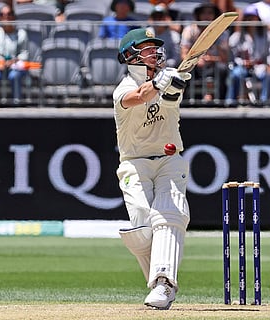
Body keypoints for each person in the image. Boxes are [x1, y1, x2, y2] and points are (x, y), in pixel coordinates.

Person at [114, 28, 191, 310]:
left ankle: (164, 283)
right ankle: (159, 279)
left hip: (170, 159)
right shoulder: (122, 90)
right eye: (146, 48)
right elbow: (138, 97)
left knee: (170, 214)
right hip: (134, 162)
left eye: (155, 48)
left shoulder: (165, 80)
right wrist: (160, 83)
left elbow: (169, 101)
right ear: (130, 56)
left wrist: (171, 84)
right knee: (142, 225)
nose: (154, 53)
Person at [225, 5, 270, 106]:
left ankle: (264, 102)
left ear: (258, 19)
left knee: (269, 74)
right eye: (248, 18)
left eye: (253, 17)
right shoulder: (237, 37)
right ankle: (231, 102)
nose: (250, 20)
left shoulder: (267, 36)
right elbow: (233, 57)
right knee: (235, 74)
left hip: (261, 66)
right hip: (243, 67)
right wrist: (243, 62)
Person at [180, 2, 229, 102]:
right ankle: (185, 100)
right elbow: (183, 54)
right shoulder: (190, 30)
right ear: (198, 15)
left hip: (215, 64)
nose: (207, 16)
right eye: (203, 13)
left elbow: (224, 58)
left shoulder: (222, 32)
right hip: (194, 64)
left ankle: (219, 101)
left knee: (222, 68)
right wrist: (196, 61)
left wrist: (214, 38)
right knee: (184, 68)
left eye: (210, 13)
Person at [0, 4, 29, 105]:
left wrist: (14, 61)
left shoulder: (22, 34)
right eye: (3, 15)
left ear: (14, 17)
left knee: (14, 76)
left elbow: (25, 54)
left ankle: (16, 105)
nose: (6, 17)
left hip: (15, 66)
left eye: (9, 14)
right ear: (0, 18)